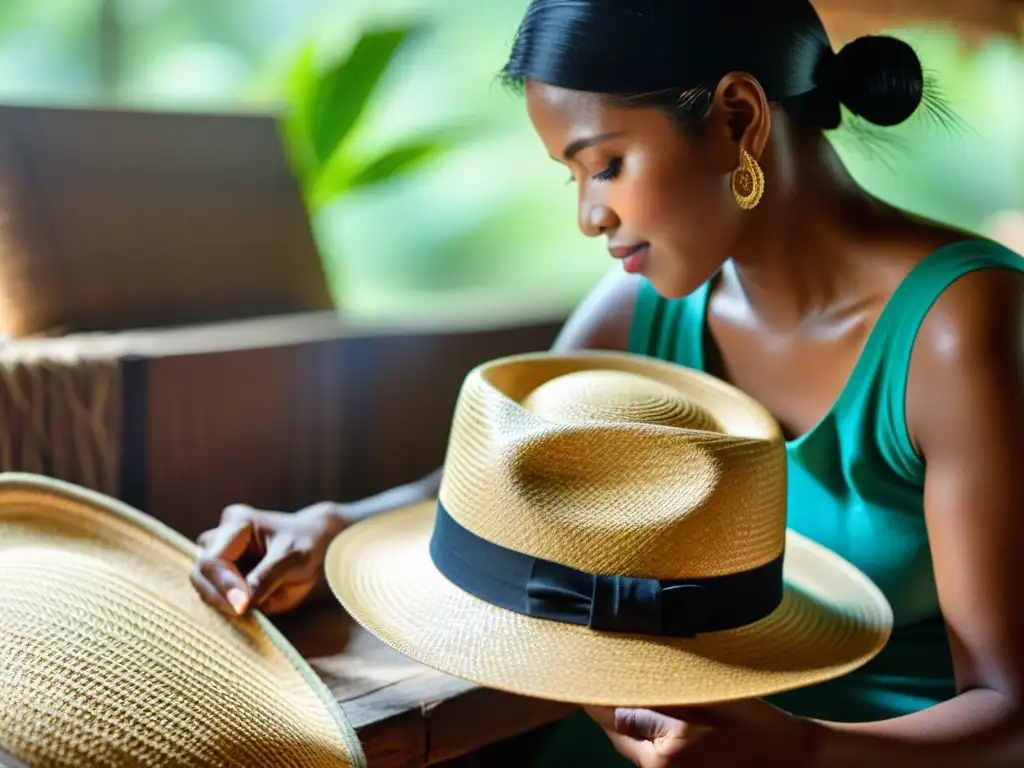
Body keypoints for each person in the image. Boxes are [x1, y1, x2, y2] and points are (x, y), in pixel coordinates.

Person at [192, 0, 1024, 765]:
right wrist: (334, 526)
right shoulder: (644, 302)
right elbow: (510, 473)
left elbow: (1009, 709)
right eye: (571, 174)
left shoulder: (963, 327)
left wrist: (801, 754)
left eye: (606, 164)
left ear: (739, 119)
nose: (589, 215)